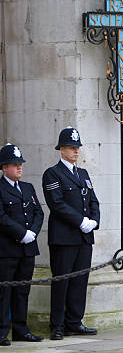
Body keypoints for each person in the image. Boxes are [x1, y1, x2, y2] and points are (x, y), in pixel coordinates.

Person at [42, 127, 100, 340]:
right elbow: (57, 204)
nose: (76, 151)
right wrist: (81, 221)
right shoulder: (52, 173)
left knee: (80, 281)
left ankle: (74, 322)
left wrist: (94, 221)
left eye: (77, 148)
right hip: (64, 238)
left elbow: (93, 200)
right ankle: (57, 325)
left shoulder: (83, 174)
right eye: (72, 148)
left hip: (84, 237)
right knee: (62, 281)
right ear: (62, 149)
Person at [0, 144, 44, 346]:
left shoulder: (28, 187)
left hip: (27, 247)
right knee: (5, 291)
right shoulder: (1, 189)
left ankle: (20, 329)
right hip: (8, 249)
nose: (19, 168)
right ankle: (1, 331)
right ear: (4, 168)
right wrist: (21, 233)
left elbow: (38, 212)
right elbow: (1, 217)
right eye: (15, 165)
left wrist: (33, 233)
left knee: (23, 290)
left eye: (20, 164)